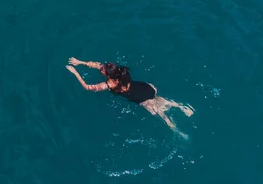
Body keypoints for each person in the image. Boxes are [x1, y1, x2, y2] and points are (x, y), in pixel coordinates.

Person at [66, 57, 194, 139]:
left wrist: (75, 72)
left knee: (163, 116)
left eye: (103, 69)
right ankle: (182, 108)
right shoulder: (120, 71)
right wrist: (80, 62)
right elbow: (96, 64)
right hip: (146, 87)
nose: (101, 67)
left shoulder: (109, 84)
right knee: (162, 100)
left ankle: (179, 133)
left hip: (142, 99)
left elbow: (88, 87)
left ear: (108, 75)